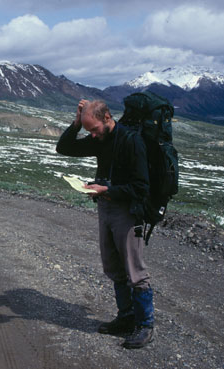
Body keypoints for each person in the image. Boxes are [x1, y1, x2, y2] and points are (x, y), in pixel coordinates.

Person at [56, 99, 154, 349]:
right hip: (107, 207)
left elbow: (141, 188)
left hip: (127, 212)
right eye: (89, 130)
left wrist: (107, 189)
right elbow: (64, 148)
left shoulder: (132, 141)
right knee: (114, 267)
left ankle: (145, 326)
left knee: (135, 271)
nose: (92, 134)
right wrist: (77, 123)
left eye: (94, 128)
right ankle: (125, 318)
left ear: (108, 117)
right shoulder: (101, 139)